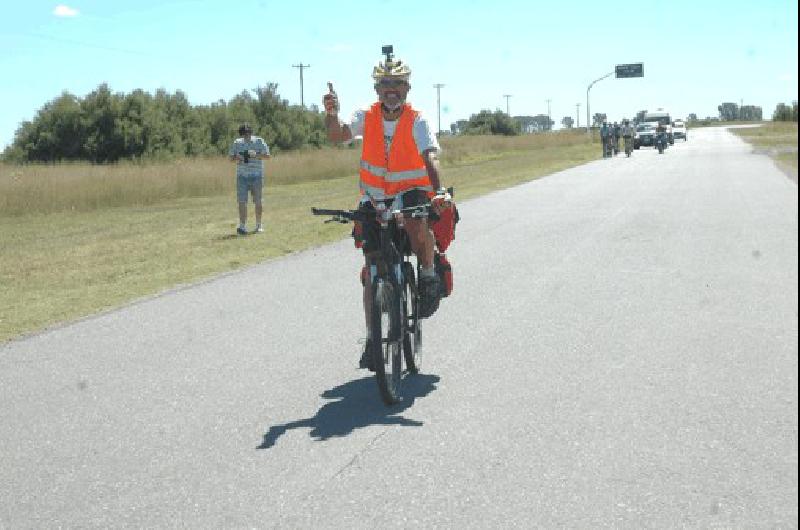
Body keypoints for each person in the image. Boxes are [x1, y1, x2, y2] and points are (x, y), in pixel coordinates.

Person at [322, 46, 449, 370]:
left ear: (407, 88)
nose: (391, 91)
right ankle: (371, 336)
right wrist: (331, 112)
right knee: (371, 270)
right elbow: (337, 135)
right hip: (374, 197)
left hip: (411, 191)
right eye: (384, 86)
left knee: (415, 222)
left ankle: (429, 273)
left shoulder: (416, 120)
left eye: (398, 85)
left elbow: (429, 156)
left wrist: (439, 192)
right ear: (376, 90)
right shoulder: (366, 116)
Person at [229, 123, 271, 235]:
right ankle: (242, 227)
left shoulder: (259, 141)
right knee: (242, 201)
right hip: (242, 176)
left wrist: (256, 155)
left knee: (258, 201)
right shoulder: (237, 143)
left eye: (247, 133)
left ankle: (259, 225)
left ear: (251, 133)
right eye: (243, 134)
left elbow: (267, 156)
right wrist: (236, 158)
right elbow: (231, 158)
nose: (246, 136)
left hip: (256, 175)